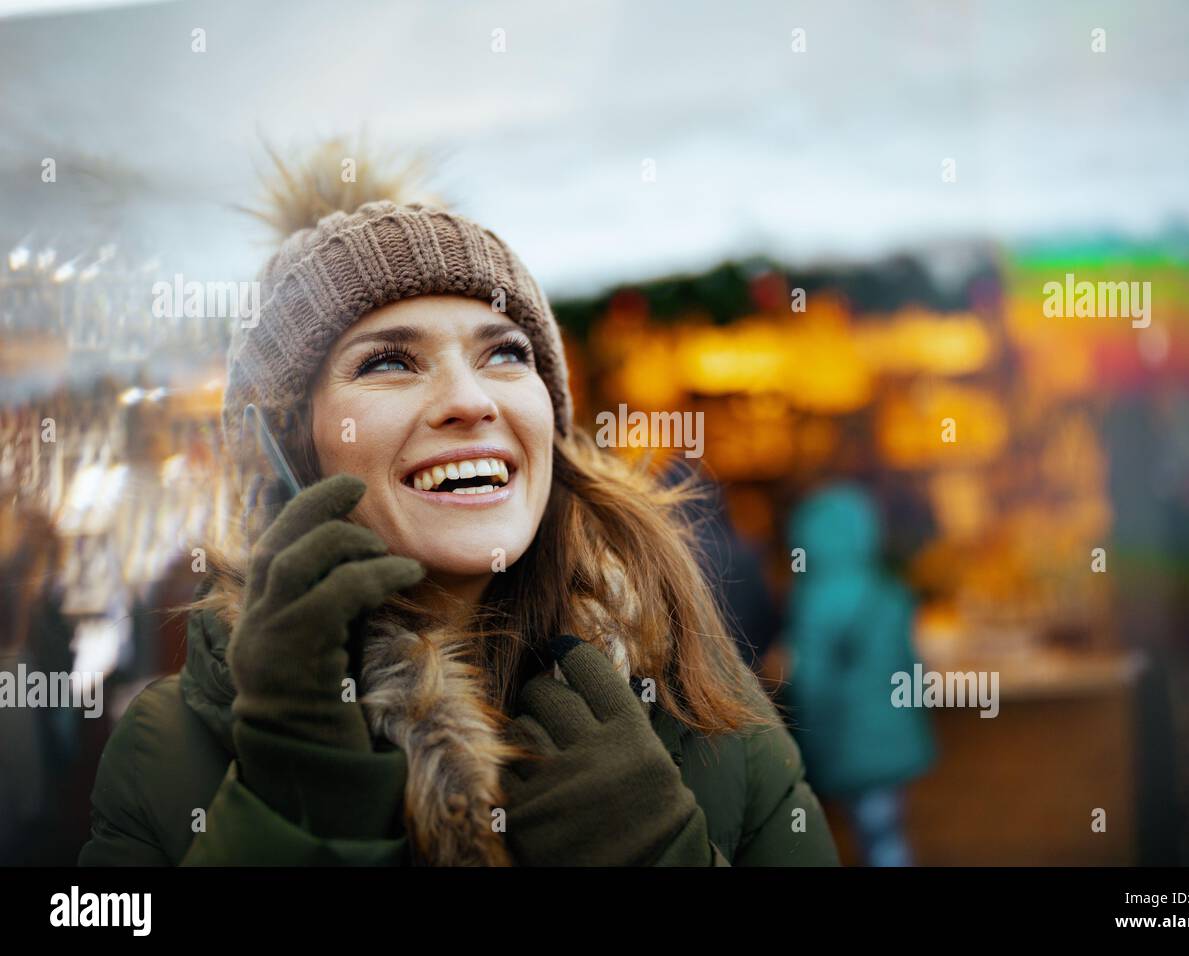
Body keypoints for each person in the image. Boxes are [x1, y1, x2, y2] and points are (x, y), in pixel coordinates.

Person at [77, 174, 839, 866]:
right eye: (388, 363)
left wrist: (664, 854)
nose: (471, 400)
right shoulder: (168, 748)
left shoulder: (700, 700)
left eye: (506, 353)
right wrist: (293, 813)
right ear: (282, 448)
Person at [784, 483, 935, 866]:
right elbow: (913, 668)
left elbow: (811, 685)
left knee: (876, 839)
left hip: (848, 741)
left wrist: (807, 739)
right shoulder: (890, 590)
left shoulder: (813, 600)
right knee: (885, 830)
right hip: (893, 735)